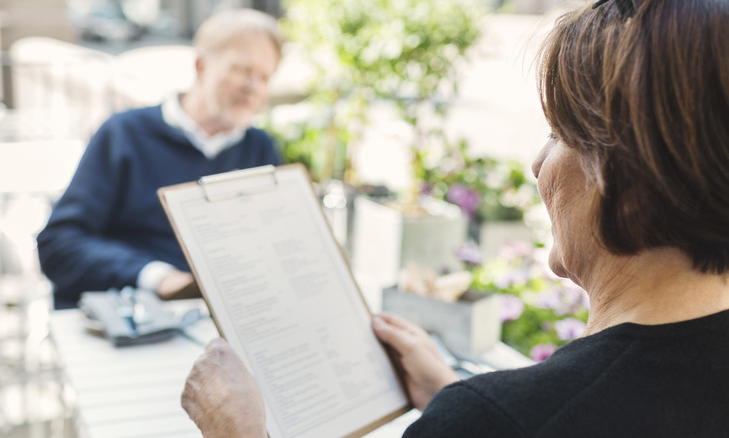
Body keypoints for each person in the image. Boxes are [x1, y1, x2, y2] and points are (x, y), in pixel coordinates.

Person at [180, 0, 729, 436]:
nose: (538, 164)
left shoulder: (497, 421)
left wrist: (237, 432)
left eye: (558, 134)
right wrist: (452, 398)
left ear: (630, 182)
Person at [37, 8, 285, 309]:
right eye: (241, 70)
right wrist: (158, 278)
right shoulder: (124, 134)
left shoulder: (259, 148)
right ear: (201, 66)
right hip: (132, 316)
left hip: (221, 320)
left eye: (264, 76)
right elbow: (60, 245)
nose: (253, 87)